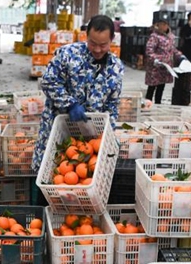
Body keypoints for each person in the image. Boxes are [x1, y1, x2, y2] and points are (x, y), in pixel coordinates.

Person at [32, 15, 124, 174]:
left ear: (112, 39)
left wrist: (108, 133)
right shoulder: (67, 54)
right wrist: (69, 103)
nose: (97, 49)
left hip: (89, 138)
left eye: (103, 45)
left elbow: (112, 105)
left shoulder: (116, 68)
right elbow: (48, 81)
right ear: (86, 36)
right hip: (58, 128)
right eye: (92, 43)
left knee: (84, 177)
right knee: (51, 172)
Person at [145, 20, 185, 104]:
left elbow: (173, 50)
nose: (164, 26)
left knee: (161, 87)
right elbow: (149, 51)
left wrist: (180, 55)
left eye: (165, 24)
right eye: (161, 25)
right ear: (157, 25)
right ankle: (147, 104)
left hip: (165, 67)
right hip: (155, 68)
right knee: (152, 87)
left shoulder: (170, 37)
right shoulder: (154, 36)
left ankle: (158, 103)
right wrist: (155, 59)